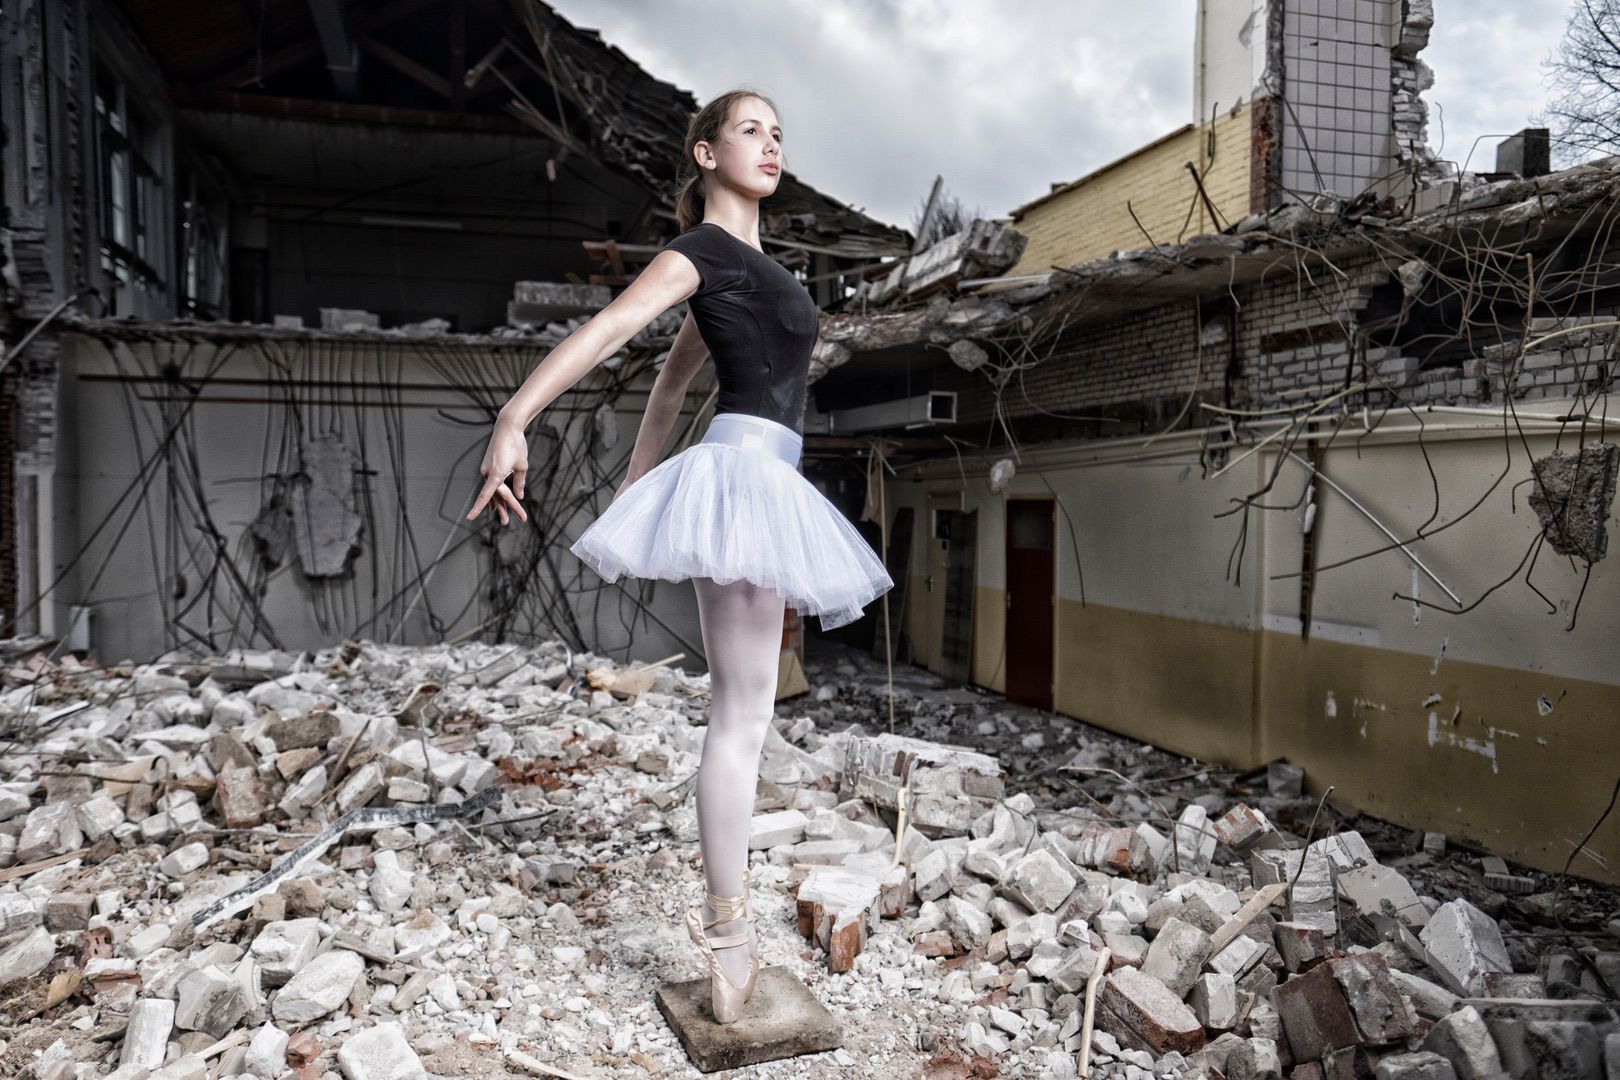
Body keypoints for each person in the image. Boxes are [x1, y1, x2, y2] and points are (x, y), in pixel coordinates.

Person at [468, 87, 893, 1024]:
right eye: (750, 130)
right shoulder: (696, 252)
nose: (772, 145)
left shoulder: (744, 266)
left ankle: (730, 932)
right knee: (740, 716)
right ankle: (729, 937)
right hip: (744, 477)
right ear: (705, 154)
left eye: (779, 133)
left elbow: (668, 390)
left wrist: (637, 488)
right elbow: (611, 330)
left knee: (749, 711)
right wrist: (513, 418)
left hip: (760, 481)